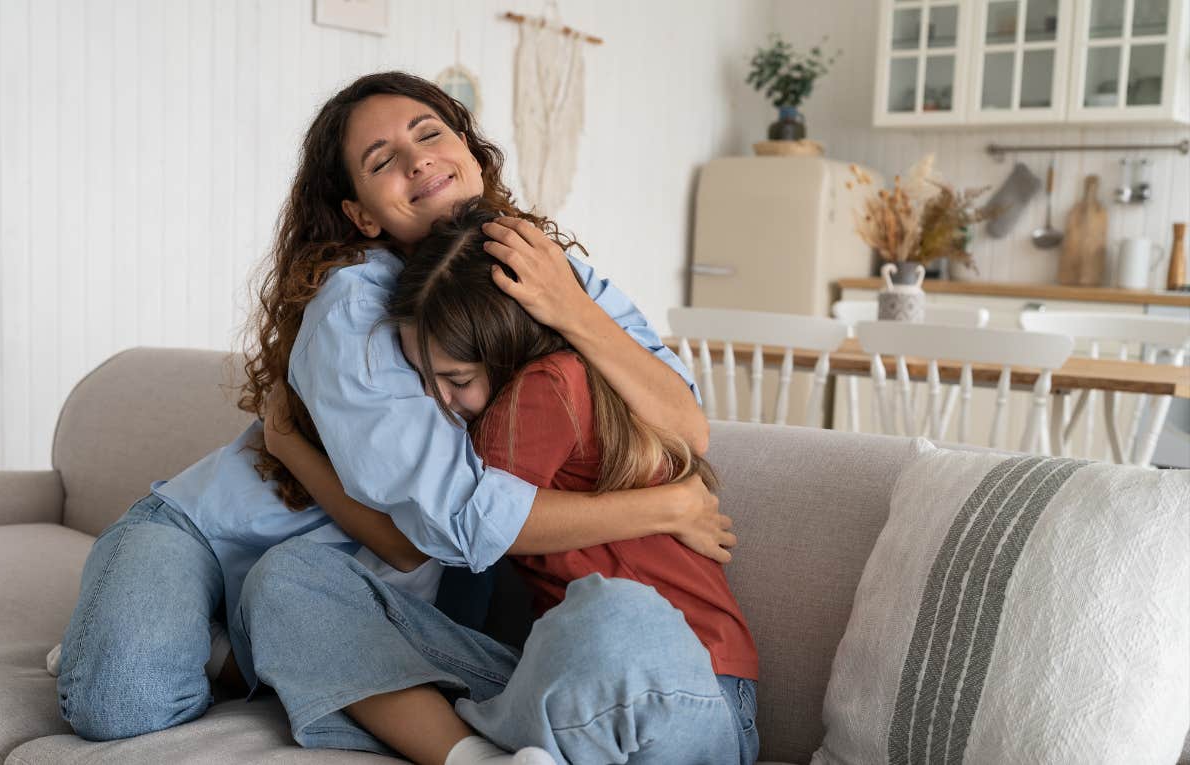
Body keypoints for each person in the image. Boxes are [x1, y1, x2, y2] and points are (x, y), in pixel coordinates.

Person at [56, 69, 732, 746]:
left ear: (471, 148)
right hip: (218, 532)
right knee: (120, 698)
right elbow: (445, 526)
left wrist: (572, 310)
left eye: (430, 132)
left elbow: (687, 427)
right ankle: (154, 634)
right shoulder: (357, 299)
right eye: (382, 161)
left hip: (346, 586)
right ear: (362, 214)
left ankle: (235, 651)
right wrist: (669, 506)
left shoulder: (551, 268)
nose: (417, 159)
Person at [246, 199, 759, 765]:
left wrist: (293, 448)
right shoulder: (538, 392)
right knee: (291, 578)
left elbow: (466, 534)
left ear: (503, 347)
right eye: (422, 378)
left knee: (611, 611)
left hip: (685, 685)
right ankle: (480, 758)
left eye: (455, 379)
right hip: (565, 689)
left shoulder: (545, 389)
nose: (437, 401)